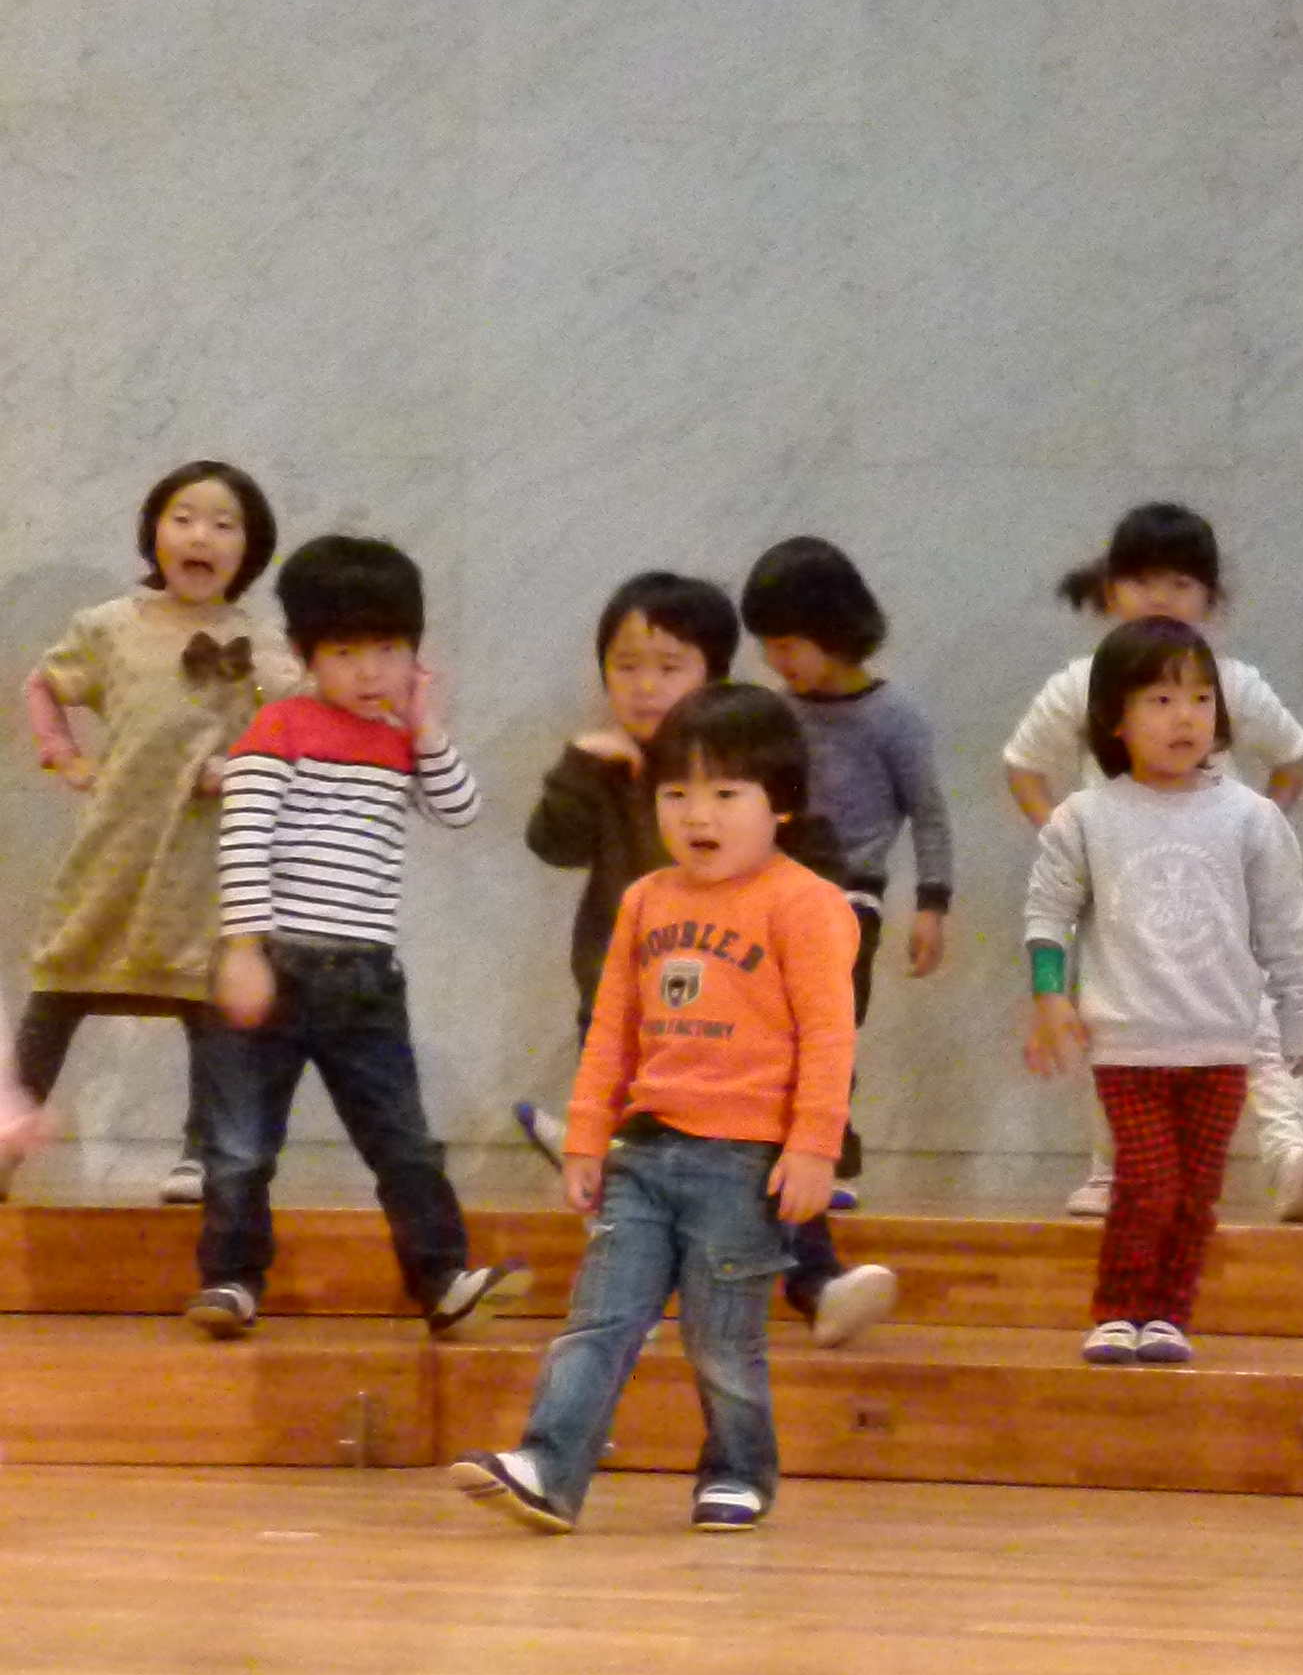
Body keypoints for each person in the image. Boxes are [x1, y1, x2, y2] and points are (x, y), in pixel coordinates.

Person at [451, 687, 862, 1535]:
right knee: (599, 1321)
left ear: (780, 803)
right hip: (642, 1155)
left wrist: (814, 1146)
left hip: (744, 1165)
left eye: (725, 793)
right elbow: (613, 1031)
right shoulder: (645, 900)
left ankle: (738, 1472)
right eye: (676, 792)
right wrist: (586, 1138)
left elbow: (830, 1037)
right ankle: (548, 1469)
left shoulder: (807, 904)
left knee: (722, 1341)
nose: (697, 814)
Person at [520, 572, 894, 1344]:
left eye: (669, 666)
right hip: (633, 1015)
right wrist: (580, 766)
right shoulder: (610, 773)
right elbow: (552, 842)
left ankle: (817, 1283)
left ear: (715, 676)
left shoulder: (753, 775)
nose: (645, 686)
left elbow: (811, 862)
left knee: (763, 1158)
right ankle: (637, 1299)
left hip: (744, 1029)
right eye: (626, 666)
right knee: (639, 1170)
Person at [195, 535, 521, 1339]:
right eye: (345, 653)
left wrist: (426, 726)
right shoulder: (279, 727)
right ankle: (232, 1279)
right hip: (275, 963)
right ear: (306, 654)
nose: (370, 670)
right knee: (240, 1144)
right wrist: (243, 948)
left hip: (367, 978)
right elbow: (244, 839)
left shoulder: (400, 742)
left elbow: (461, 809)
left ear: (415, 654)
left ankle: (441, 1277)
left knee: (404, 1140)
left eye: (389, 650)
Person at [1003, 503, 1303, 1225]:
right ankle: (1112, 1167)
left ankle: (1288, 1153)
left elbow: (1294, 756)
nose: (1160, 597)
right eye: (1142, 581)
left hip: (1215, 892)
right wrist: (1068, 840)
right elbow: (1023, 765)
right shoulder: (1080, 685)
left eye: (1182, 583)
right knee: (1115, 1024)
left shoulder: (1236, 684)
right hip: (1121, 891)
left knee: (1257, 1014)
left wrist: (1256, 833)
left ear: (1210, 599)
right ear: (1111, 591)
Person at [1019, 619, 1303, 1368]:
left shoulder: (1252, 817)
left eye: (1199, 698)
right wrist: (1049, 996)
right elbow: (1047, 915)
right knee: (1148, 1183)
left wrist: (1300, 1018)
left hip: (1222, 1041)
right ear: (1114, 719)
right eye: (1160, 699)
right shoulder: (1085, 817)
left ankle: (1167, 1314)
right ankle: (1117, 1309)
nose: (1185, 716)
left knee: (1195, 1194)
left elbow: (1284, 926)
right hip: (1126, 1043)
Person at [12, 461, 287, 1206]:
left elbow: (295, 729)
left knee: (209, 998)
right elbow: (44, 683)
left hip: (206, 855)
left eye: (224, 524)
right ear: (154, 532)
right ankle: (7, 1137)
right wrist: (64, 756)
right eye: (184, 518)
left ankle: (203, 1150)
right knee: (62, 976)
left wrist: (245, 767)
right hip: (116, 842)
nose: (202, 536)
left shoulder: (263, 644)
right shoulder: (109, 626)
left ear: (250, 547)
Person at [743, 533, 959, 1213]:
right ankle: (771, 1148)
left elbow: (929, 813)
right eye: (768, 647)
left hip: (849, 898)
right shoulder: (776, 711)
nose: (776, 662)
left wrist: (932, 905)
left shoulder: (893, 717)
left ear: (833, 630)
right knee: (766, 1027)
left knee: (827, 1024)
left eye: (788, 645)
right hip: (770, 894)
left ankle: (827, 1151)